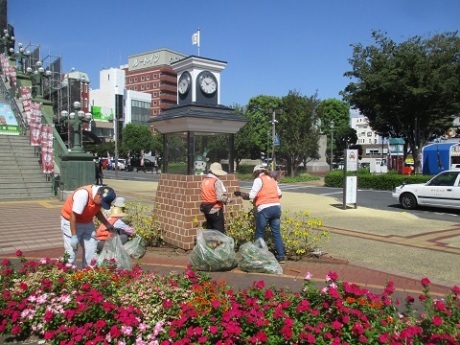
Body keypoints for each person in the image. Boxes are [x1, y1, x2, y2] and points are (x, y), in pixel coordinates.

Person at [236, 165, 285, 262]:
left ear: (256, 172)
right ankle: (281, 256)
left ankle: (259, 256)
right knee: (276, 233)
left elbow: (251, 195)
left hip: (265, 209)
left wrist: (240, 194)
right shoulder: (272, 179)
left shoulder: (258, 180)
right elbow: (279, 194)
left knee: (259, 233)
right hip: (276, 208)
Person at [60, 185, 116, 268]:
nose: (101, 205)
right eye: (102, 202)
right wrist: (74, 236)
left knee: (91, 249)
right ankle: (69, 272)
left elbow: (96, 211)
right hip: (70, 221)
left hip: (87, 221)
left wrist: (107, 224)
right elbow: (73, 216)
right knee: (71, 252)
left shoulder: (100, 195)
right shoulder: (83, 195)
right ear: (98, 195)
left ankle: (88, 272)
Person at [200, 162, 231, 233]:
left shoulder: (204, 181)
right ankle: (218, 244)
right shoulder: (216, 181)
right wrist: (228, 200)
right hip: (216, 209)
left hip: (206, 209)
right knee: (218, 232)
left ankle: (209, 244)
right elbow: (220, 197)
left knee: (209, 230)